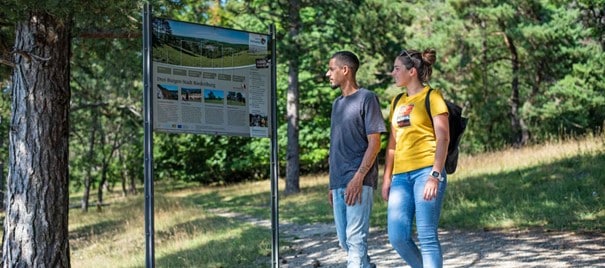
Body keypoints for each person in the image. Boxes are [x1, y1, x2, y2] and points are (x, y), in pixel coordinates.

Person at [382, 48, 449, 268]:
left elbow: (443, 139)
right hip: (400, 177)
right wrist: (387, 178)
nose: (393, 73)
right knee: (397, 236)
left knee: (427, 234)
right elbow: (392, 144)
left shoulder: (433, 96)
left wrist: (435, 175)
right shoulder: (396, 101)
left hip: (426, 171)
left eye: (397, 68)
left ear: (412, 72)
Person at [326, 51, 386, 268]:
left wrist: (359, 177)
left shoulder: (367, 98)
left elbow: (375, 142)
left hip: (359, 180)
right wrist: (332, 184)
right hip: (339, 181)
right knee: (345, 241)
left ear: (345, 70)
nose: (328, 74)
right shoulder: (337, 105)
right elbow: (335, 146)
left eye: (331, 69)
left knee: (355, 240)